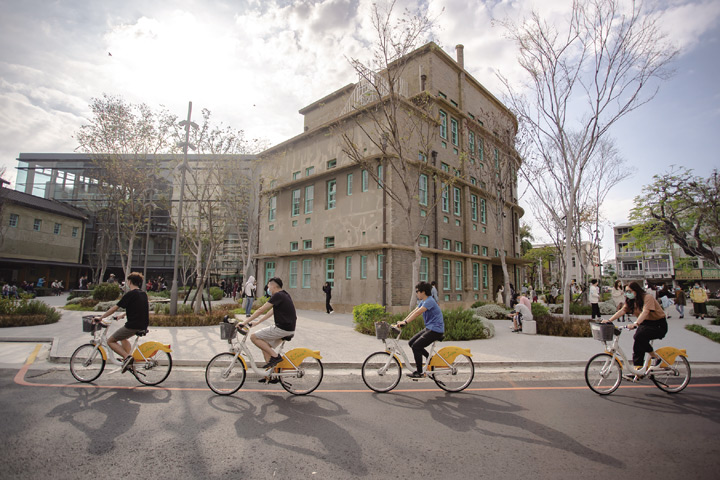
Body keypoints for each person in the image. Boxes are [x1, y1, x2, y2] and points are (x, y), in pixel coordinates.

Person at [603, 281, 668, 374]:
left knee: (640, 337)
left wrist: (636, 323)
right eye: (626, 291)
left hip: (658, 325)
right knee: (637, 341)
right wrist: (609, 320)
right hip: (645, 323)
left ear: (636, 290)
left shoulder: (647, 297)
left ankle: (656, 358)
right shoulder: (631, 301)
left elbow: (646, 311)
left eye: (629, 291)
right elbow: (622, 311)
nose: (627, 294)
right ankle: (638, 368)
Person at [242, 277, 296, 382]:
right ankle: (271, 375)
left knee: (254, 337)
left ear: (274, 286)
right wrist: (257, 323)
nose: (268, 288)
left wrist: (243, 322)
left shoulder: (278, 295)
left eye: (269, 286)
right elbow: (270, 312)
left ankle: (276, 357)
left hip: (282, 328)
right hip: (288, 328)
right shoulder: (284, 295)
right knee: (265, 346)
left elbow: (261, 310)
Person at [94, 272, 149, 373]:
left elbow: (114, 308)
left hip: (133, 325)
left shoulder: (130, 294)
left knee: (110, 341)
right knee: (123, 338)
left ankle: (127, 357)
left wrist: (101, 317)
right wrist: (122, 315)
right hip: (142, 324)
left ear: (130, 282)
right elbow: (137, 309)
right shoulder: (143, 294)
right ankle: (128, 360)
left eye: (127, 281)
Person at [394, 282, 444, 379]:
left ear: (423, 292)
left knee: (416, 346)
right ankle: (430, 359)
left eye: (417, 291)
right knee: (411, 342)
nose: (416, 293)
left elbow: (418, 313)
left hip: (436, 330)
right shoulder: (424, 301)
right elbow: (415, 311)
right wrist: (403, 321)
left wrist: (406, 322)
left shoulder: (430, 301)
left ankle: (419, 372)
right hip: (430, 328)